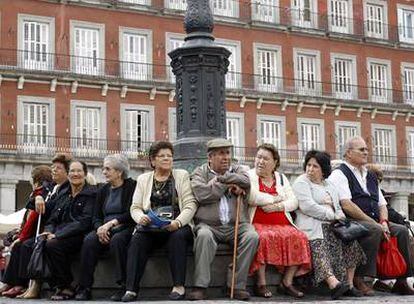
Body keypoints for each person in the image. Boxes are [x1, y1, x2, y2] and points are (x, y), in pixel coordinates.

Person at [329, 136, 414, 296]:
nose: (366, 152)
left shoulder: (370, 176)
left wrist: (383, 221)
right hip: (350, 221)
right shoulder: (340, 174)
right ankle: (360, 278)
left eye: (367, 149)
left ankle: (402, 280)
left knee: (401, 230)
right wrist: (375, 223)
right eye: (362, 150)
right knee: (374, 229)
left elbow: (382, 204)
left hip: (375, 220)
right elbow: (346, 204)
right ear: (348, 153)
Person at [121, 141, 197, 302]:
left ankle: (178, 286)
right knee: (137, 239)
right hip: (151, 226)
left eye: (169, 156)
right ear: (153, 160)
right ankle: (131, 289)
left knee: (177, 237)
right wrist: (140, 217)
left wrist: (177, 222)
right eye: (161, 156)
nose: (166, 159)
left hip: (176, 225)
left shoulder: (181, 175)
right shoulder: (143, 179)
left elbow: (190, 204)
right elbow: (135, 207)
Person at [187, 138, 259, 301]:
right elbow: (203, 195)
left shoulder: (238, 168)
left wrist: (219, 180)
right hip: (209, 225)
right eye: (221, 154)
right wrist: (226, 182)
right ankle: (200, 286)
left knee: (252, 236)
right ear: (210, 157)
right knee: (203, 236)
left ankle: (235, 286)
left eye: (227, 153)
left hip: (237, 225)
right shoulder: (199, 172)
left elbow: (246, 182)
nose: (226, 157)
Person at [293, 150, 366, 300]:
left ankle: (349, 284)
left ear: (323, 170)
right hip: (312, 225)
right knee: (318, 245)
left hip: (333, 225)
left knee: (350, 241)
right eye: (308, 165)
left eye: (315, 166)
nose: (310, 169)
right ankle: (333, 284)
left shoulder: (330, 185)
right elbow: (308, 206)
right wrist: (331, 215)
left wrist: (338, 216)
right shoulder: (301, 182)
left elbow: (338, 207)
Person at [247, 144, 311, 298]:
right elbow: (252, 197)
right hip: (257, 222)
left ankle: (287, 282)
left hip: (282, 222)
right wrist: (276, 197)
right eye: (258, 157)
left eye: (265, 159)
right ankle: (261, 283)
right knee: (262, 237)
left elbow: (293, 202)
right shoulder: (249, 176)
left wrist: (277, 206)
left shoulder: (281, 178)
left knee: (300, 237)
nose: (260, 161)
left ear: (275, 162)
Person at [75, 154, 137, 301]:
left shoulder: (131, 186)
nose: (104, 172)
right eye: (103, 169)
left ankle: (123, 286)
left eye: (107, 169)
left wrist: (111, 223)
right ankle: (85, 287)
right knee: (89, 240)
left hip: (125, 226)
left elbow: (131, 212)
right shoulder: (103, 190)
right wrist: (99, 228)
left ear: (119, 171)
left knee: (118, 241)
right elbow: (96, 216)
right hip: (104, 228)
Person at [37, 160, 96, 300]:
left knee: (52, 244)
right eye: (72, 171)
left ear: (85, 174)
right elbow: (52, 219)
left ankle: (65, 286)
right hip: (60, 234)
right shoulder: (63, 194)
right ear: (68, 174)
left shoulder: (92, 193)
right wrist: (48, 231)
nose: (75, 174)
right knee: (42, 241)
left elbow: (84, 221)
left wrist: (57, 234)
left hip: (80, 235)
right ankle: (51, 285)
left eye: (79, 171)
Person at [1, 165, 53, 298]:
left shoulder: (41, 193)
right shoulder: (39, 193)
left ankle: (20, 283)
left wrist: (22, 236)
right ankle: (10, 282)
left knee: (23, 245)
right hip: (32, 231)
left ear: (36, 179)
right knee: (19, 245)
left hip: (38, 232)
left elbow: (34, 217)